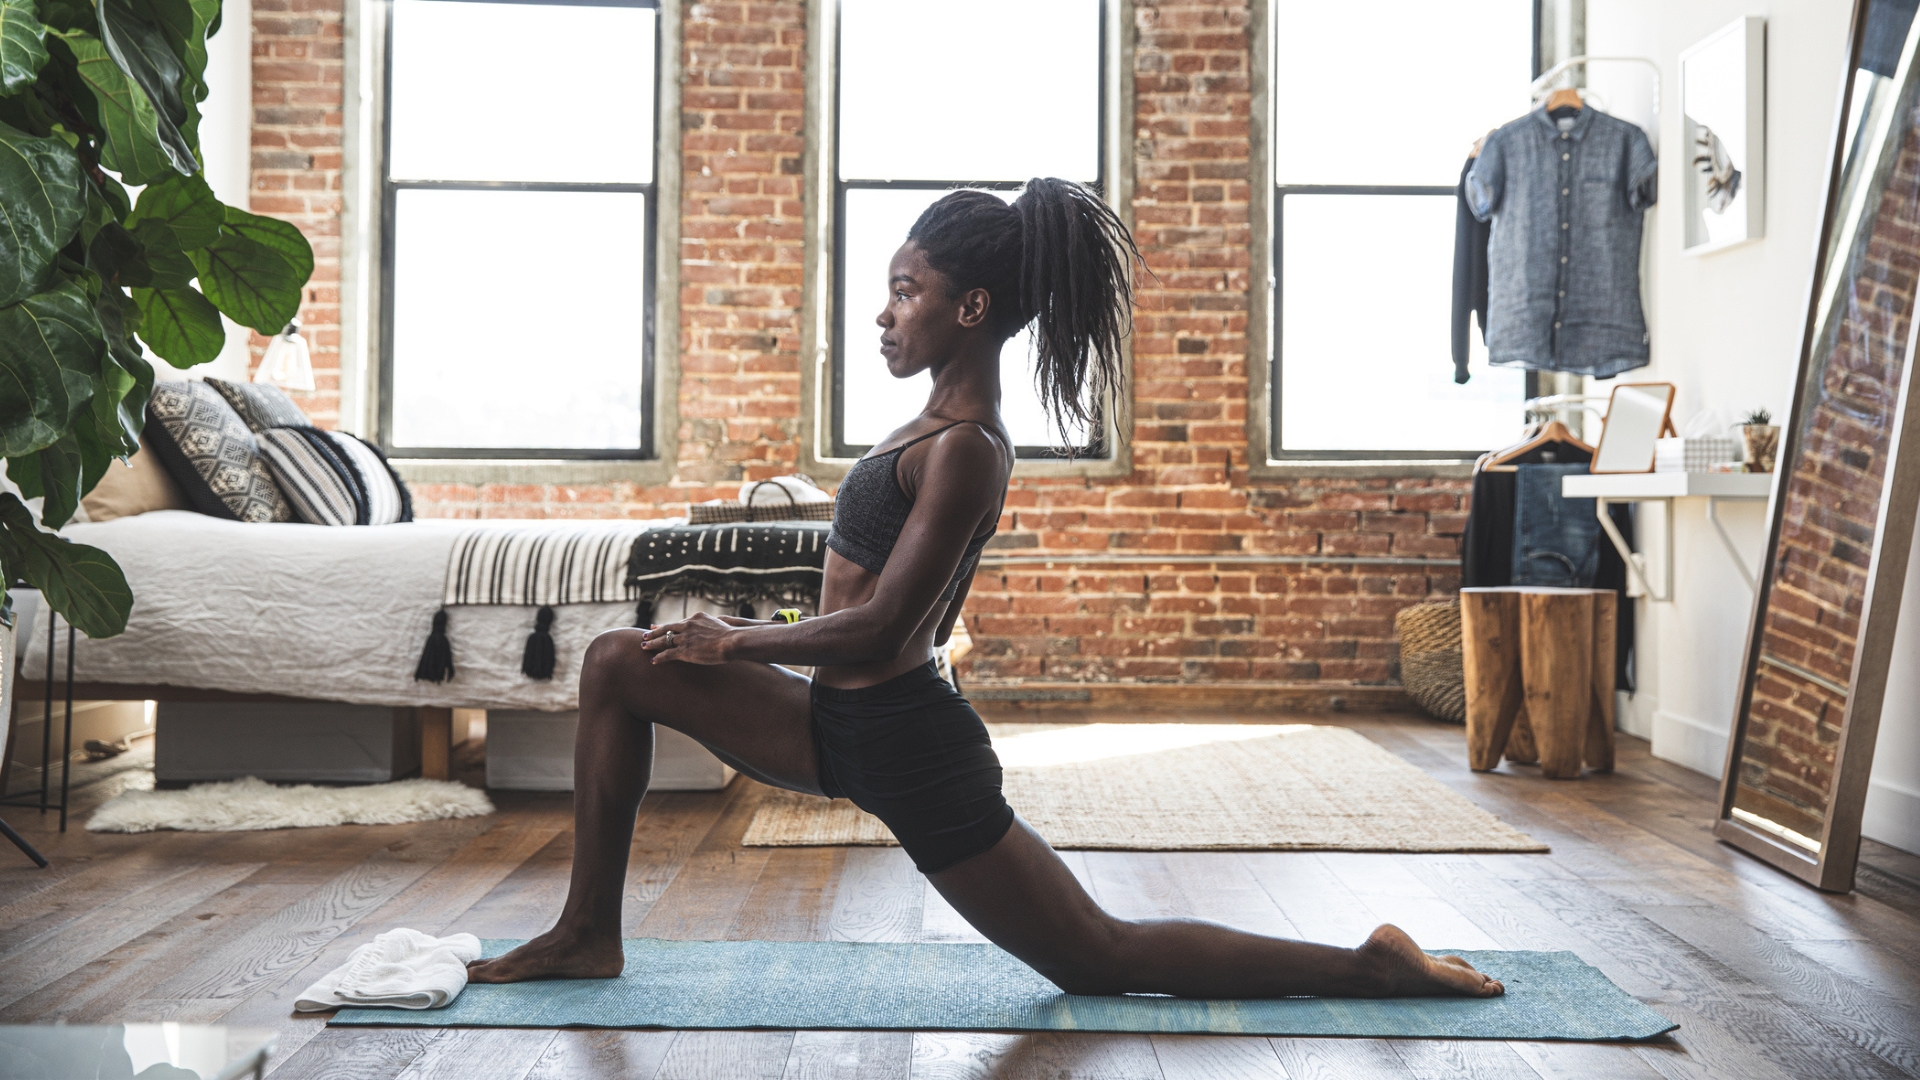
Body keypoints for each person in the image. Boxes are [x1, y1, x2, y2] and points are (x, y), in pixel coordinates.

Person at [468, 178, 1504, 1000]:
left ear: (971, 307)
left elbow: (881, 628)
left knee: (1099, 960)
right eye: (888, 289)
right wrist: (757, 630)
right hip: (836, 724)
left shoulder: (967, 448)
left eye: (906, 291)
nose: (883, 314)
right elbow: (856, 597)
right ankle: (586, 933)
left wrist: (733, 645)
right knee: (616, 663)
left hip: (908, 746)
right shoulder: (925, 427)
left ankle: (1370, 965)